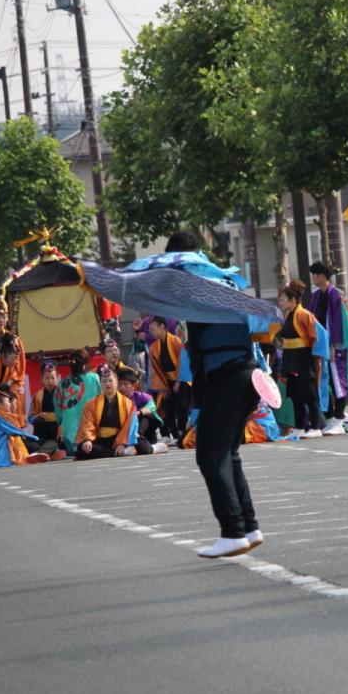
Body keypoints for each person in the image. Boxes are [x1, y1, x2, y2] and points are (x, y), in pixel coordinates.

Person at [161, 229, 266, 558]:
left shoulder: (194, 285)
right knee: (228, 453)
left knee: (209, 453)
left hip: (229, 377)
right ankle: (248, 528)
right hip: (249, 373)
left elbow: (198, 352)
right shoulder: (222, 278)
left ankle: (233, 531)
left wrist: (199, 401)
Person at [307, 260, 348, 436]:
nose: (313, 278)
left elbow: (341, 322)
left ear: (323, 276)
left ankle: (339, 419)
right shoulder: (316, 296)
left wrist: (334, 345)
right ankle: (331, 418)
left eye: (315, 275)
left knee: (337, 382)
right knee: (323, 382)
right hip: (320, 345)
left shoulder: (337, 295)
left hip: (335, 346)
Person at [276, 280, 324, 439]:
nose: (281, 303)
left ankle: (316, 427)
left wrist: (316, 361)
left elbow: (315, 337)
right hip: (291, 358)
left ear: (293, 301)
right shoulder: (288, 315)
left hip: (303, 358)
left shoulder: (304, 315)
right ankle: (299, 427)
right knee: (295, 395)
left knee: (309, 394)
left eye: (283, 300)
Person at [75, 366, 138, 459]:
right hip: (99, 438)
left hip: (118, 437)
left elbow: (128, 426)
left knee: (143, 446)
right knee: (82, 449)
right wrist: (87, 440)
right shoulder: (91, 404)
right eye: (104, 381)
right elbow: (87, 424)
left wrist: (122, 443)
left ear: (117, 382)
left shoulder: (128, 404)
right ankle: (117, 453)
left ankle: (120, 450)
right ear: (100, 383)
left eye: (110, 380)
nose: (107, 384)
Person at [148, 317, 188, 442]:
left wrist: (178, 381)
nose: (151, 332)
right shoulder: (154, 347)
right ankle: (170, 434)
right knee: (166, 407)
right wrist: (162, 387)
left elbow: (183, 361)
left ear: (162, 327)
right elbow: (155, 369)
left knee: (182, 407)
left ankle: (181, 432)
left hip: (181, 380)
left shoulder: (176, 341)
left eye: (153, 329)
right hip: (165, 381)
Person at [55, 349, 101, 454]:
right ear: (86, 364)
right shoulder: (95, 378)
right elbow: (102, 400)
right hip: (93, 428)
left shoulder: (62, 384)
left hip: (70, 432)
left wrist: (61, 424)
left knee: (76, 450)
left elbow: (58, 409)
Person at [0, 385, 47, 465]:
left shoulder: (2, 415)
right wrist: (32, 437)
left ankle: (31, 456)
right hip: (0, 445)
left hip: (6, 440)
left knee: (17, 438)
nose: (10, 404)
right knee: (13, 438)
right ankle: (26, 457)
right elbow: (11, 430)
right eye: (7, 401)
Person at [117, 366, 167, 454]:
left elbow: (152, 406)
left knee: (145, 416)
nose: (122, 387)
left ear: (134, 385)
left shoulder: (141, 396)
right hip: (125, 431)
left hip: (143, 429)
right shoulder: (116, 399)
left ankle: (139, 437)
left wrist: (139, 412)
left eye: (125, 384)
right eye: (119, 384)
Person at [27, 362, 67, 458]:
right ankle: (44, 452)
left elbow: (68, 415)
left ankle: (39, 454)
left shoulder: (63, 395)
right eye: (47, 378)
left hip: (57, 432)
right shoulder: (38, 396)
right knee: (29, 442)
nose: (50, 381)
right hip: (43, 435)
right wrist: (39, 416)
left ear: (57, 378)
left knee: (55, 443)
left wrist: (52, 417)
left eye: (53, 378)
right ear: (42, 379)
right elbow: (30, 417)